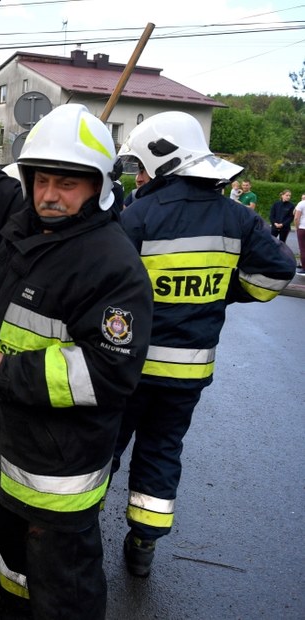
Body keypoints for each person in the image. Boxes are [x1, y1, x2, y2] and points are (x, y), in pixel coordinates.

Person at [0, 65, 153, 619]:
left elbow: (110, 373)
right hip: (5, 456)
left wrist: (6, 372)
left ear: (97, 186)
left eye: (66, 183)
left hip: (56, 477)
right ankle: (10, 604)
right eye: (41, 179)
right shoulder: (19, 217)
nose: (49, 194)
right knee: (16, 567)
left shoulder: (113, 267)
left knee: (65, 594)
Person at [114, 111, 297, 578]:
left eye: (142, 166)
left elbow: (106, 286)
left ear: (163, 160)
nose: (138, 176)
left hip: (130, 369)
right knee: (162, 451)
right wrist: (224, 291)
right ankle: (143, 546)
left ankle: (71, 534)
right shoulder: (238, 217)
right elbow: (277, 273)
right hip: (189, 373)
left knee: (105, 448)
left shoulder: (138, 215)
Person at [296, 193, 305, 273]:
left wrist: (297, 227)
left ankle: (304, 268)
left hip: (302, 228)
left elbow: (296, 217)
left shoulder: (301, 203)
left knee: (303, 249)